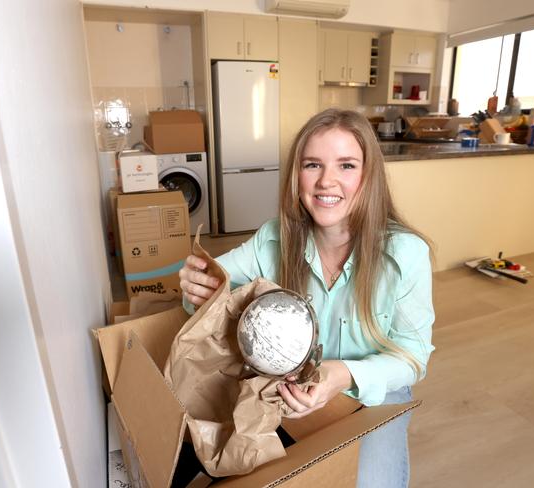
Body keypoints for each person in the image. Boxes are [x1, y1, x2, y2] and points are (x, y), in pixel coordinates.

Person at [179, 108, 435, 487]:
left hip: (373, 394)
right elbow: (210, 286)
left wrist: (343, 373)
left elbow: (413, 357)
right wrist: (195, 287)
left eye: (346, 165)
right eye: (313, 165)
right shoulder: (272, 240)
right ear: (296, 176)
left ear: (369, 177)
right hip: (289, 387)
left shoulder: (405, 254)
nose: (326, 181)